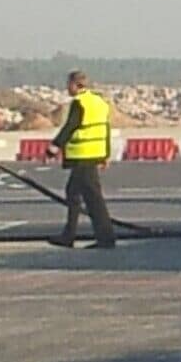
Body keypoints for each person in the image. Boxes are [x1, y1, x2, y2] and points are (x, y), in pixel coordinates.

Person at [47, 69, 117, 249]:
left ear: (76, 85)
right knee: (74, 193)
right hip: (94, 154)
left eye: (68, 85)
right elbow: (105, 129)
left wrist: (55, 146)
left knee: (92, 198)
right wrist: (105, 154)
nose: (67, 89)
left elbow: (71, 126)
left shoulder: (80, 103)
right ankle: (70, 234)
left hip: (82, 155)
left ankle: (104, 237)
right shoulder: (99, 102)